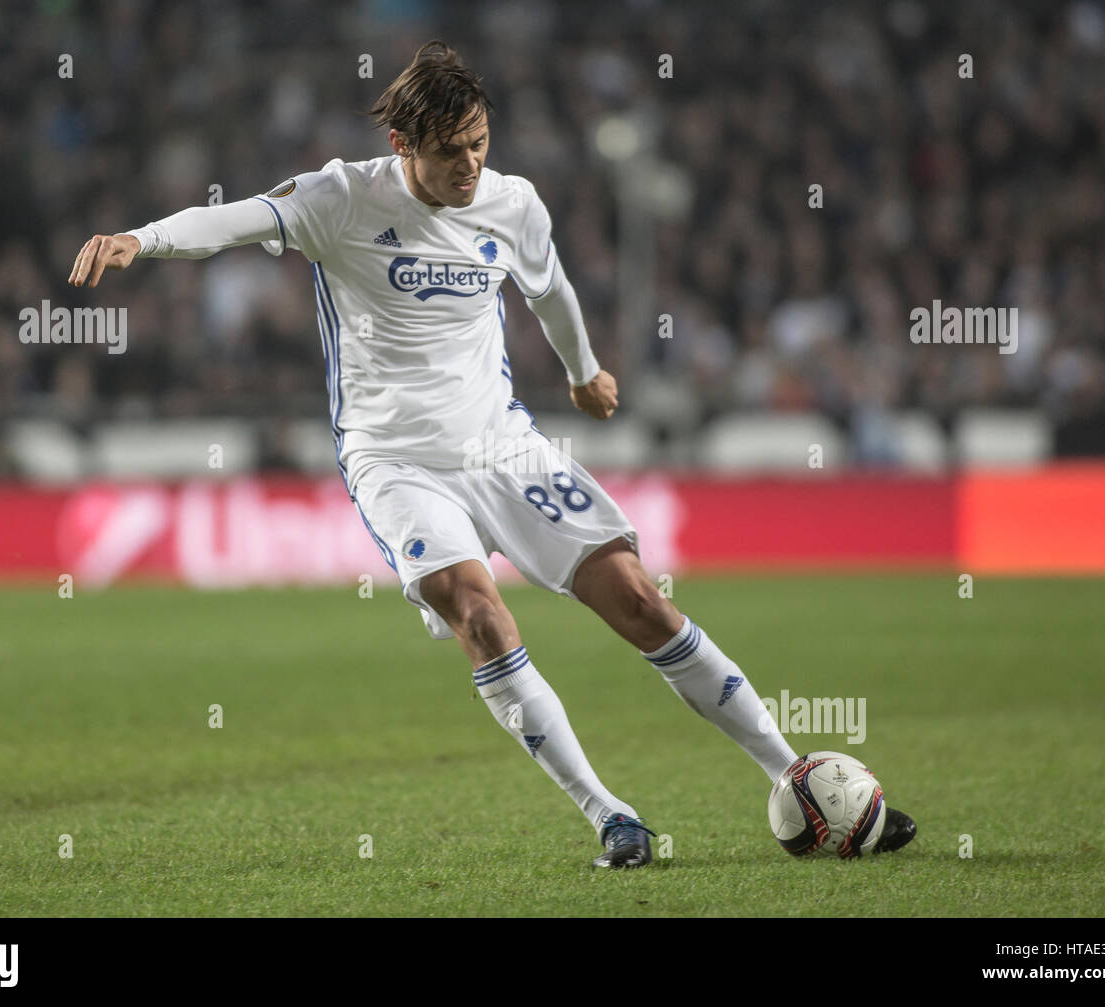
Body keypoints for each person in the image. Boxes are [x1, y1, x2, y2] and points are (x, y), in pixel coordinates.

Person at [69, 39, 916, 868]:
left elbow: (551, 292)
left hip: (504, 447)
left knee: (641, 602)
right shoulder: (342, 198)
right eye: (448, 152)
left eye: (479, 143)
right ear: (402, 146)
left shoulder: (514, 203)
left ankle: (790, 769)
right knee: (481, 614)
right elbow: (233, 219)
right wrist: (140, 239)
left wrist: (585, 372)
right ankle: (610, 814)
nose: (469, 165)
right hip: (395, 460)